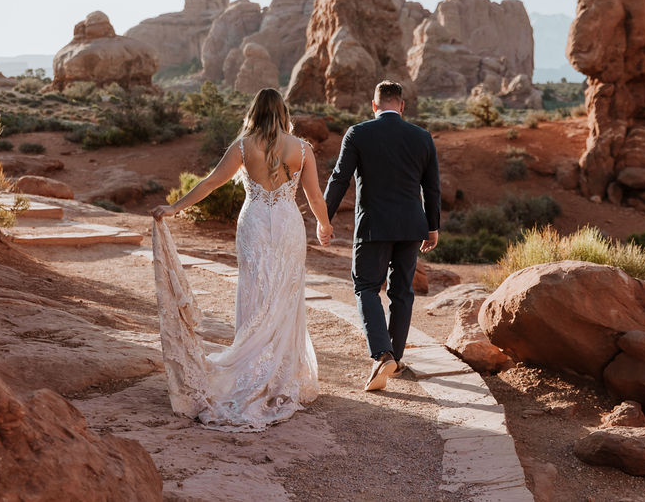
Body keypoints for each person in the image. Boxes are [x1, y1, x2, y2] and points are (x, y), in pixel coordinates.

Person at [151, 88, 333, 431]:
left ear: (254, 111)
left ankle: (252, 370)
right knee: (285, 295)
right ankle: (280, 375)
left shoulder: (243, 146)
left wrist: (175, 207)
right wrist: (324, 225)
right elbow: (314, 197)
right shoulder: (301, 149)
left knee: (256, 293)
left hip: (254, 225)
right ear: (283, 112)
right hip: (287, 226)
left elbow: (210, 183)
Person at [324, 80, 440, 391]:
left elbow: (339, 178)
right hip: (412, 227)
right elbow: (431, 187)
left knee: (365, 287)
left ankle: (382, 354)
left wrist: (325, 218)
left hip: (374, 225)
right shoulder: (422, 137)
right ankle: (395, 359)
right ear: (401, 106)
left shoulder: (358, 133)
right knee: (402, 292)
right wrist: (432, 226)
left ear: (374, 105)